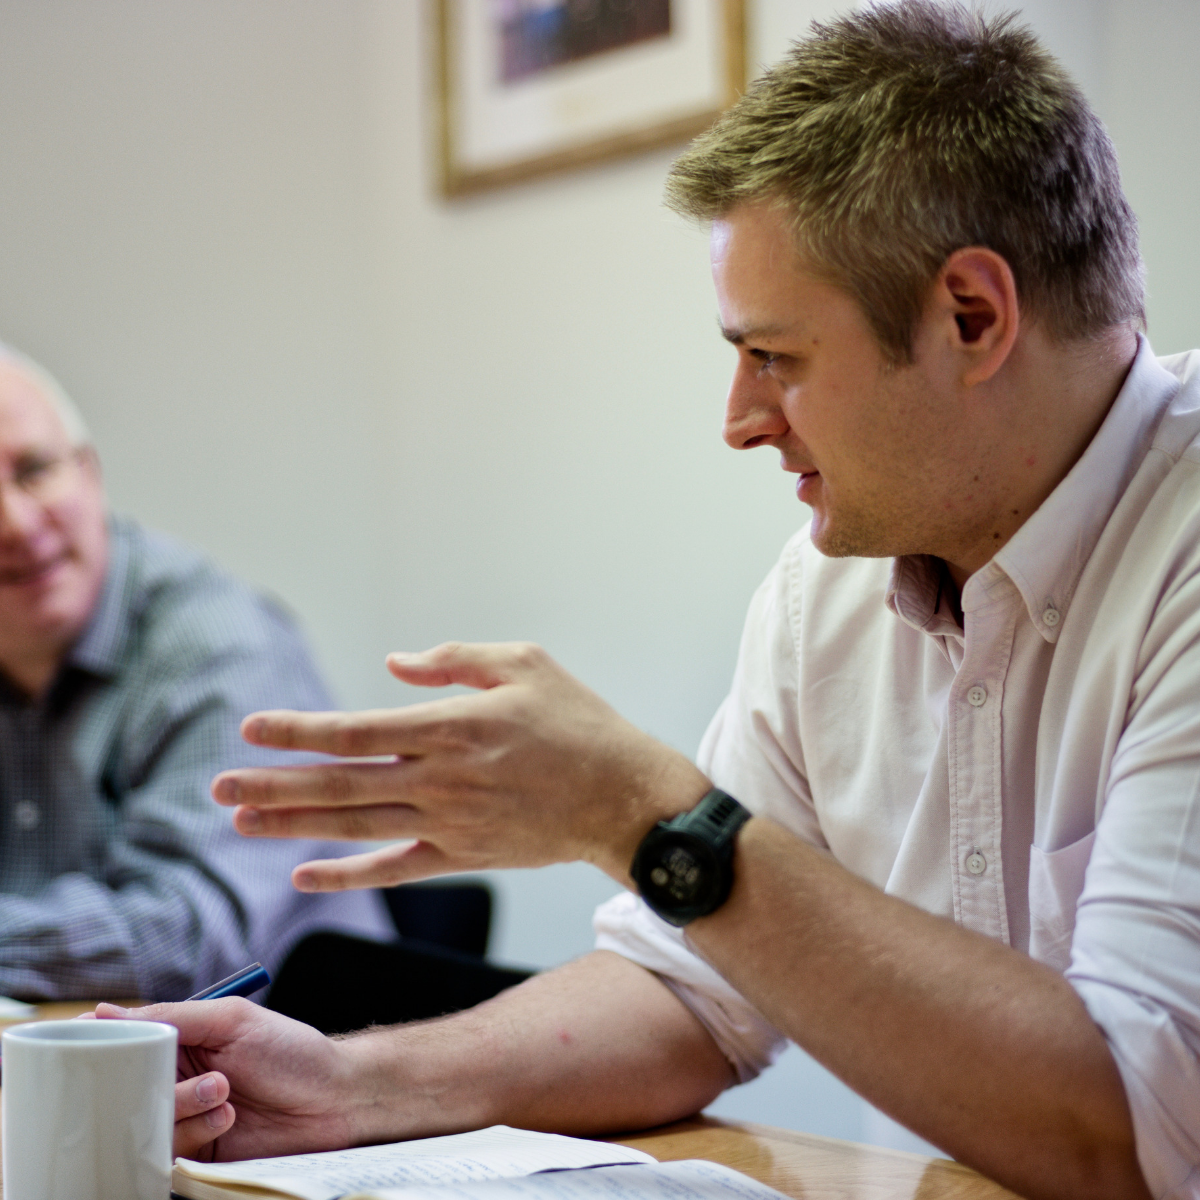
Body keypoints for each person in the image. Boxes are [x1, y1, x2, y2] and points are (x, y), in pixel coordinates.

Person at [108, 4, 1197, 1197]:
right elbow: (694, 986)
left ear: (972, 317)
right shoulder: (822, 592)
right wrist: (349, 1087)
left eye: (774, 356)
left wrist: (642, 811)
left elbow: (1133, 1131)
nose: (738, 420)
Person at [0, 342, 393, 1000]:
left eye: (35, 469)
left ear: (90, 474)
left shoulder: (217, 644)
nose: (13, 523)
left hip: (295, 1068)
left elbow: (184, 940)